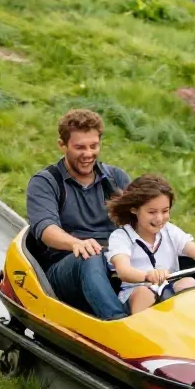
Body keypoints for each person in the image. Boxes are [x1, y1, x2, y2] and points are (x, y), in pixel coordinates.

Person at [25, 109, 131, 320]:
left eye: (94, 146)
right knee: (88, 255)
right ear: (62, 145)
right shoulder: (46, 182)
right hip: (68, 267)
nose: (88, 154)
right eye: (79, 147)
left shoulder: (116, 178)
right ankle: (119, 325)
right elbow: (46, 228)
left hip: (115, 260)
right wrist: (75, 244)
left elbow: (141, 220)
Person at [106, 174, 195, 315]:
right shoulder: (121, 237)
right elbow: (124, 271)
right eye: (152, 212)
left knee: (188, 282)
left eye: (165, 211)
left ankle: (191, 325)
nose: (160, 218)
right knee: (144, 293)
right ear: (134, 209)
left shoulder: (170, 231)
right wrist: (148, 276)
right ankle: (139, 330)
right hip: (137, 292)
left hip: (169, 288)